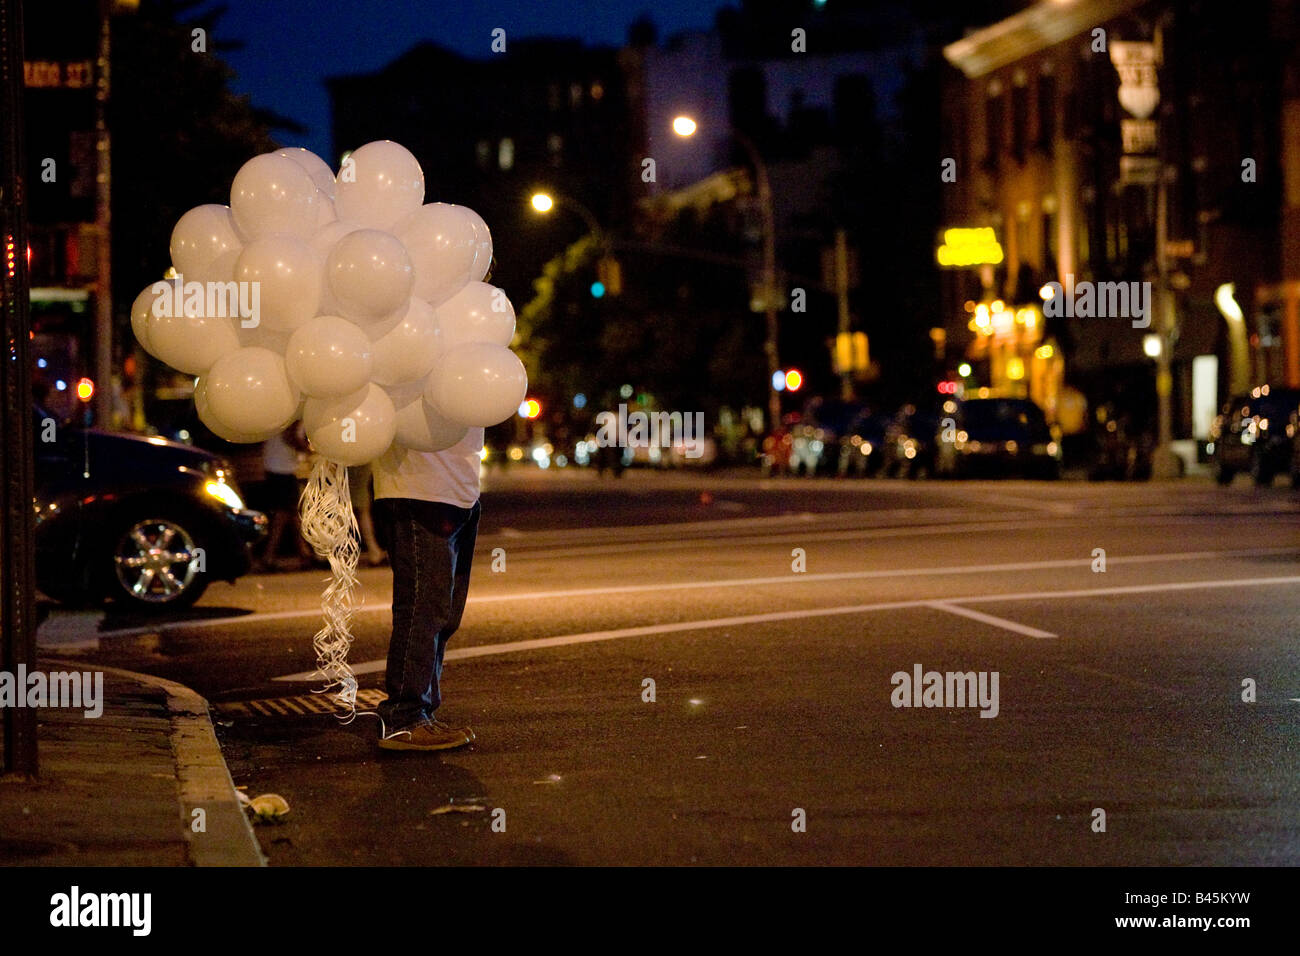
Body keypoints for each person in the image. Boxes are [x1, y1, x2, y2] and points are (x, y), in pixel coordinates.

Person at [370, 427, 485, 751]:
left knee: (444, 614)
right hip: (419, 491)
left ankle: (421, 713)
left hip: (458, 490)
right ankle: (403, 719)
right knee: (423, 608)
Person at [258, 424, 314, 572]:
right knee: (283, 514)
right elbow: (291, 437)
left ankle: (304, 553)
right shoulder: (294, 416)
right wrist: (310, 450)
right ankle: (269, 556)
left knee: (290, 512)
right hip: (282, 469)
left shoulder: (284, 414)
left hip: (277, 466)